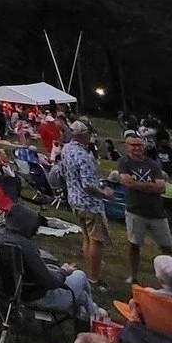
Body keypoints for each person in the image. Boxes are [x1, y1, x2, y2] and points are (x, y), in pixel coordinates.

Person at [0, 202, 99, 321]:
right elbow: (51, 283)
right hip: (34, 297)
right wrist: (63, 271)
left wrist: (53, 270)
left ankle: (91, 313)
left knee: (83, 295)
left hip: (9, 289)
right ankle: (96, 320)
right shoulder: (25, 247)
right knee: (80, 276)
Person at [117, 131, 172, 283]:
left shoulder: (152, 164)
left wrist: (138, 185)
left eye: (140, 145)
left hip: (156, 212)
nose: (137, 148)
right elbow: (127, 183)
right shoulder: (124, 162)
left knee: (166, 247)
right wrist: (150, 186)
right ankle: (133, 276)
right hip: (135, 210)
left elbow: (161, 187)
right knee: (134, 244)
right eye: (133, 145)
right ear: (127, 146)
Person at [59, 120, 111, 282]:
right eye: (89, 134)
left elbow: (62, 172)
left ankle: (89, 273)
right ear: (83, 135)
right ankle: (93, 277)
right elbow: (88, 185)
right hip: (89, 203)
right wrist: (104, 193)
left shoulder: (66, 149)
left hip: (74, 199)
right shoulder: (83, 156)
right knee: (96, 240)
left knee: (86, 238)